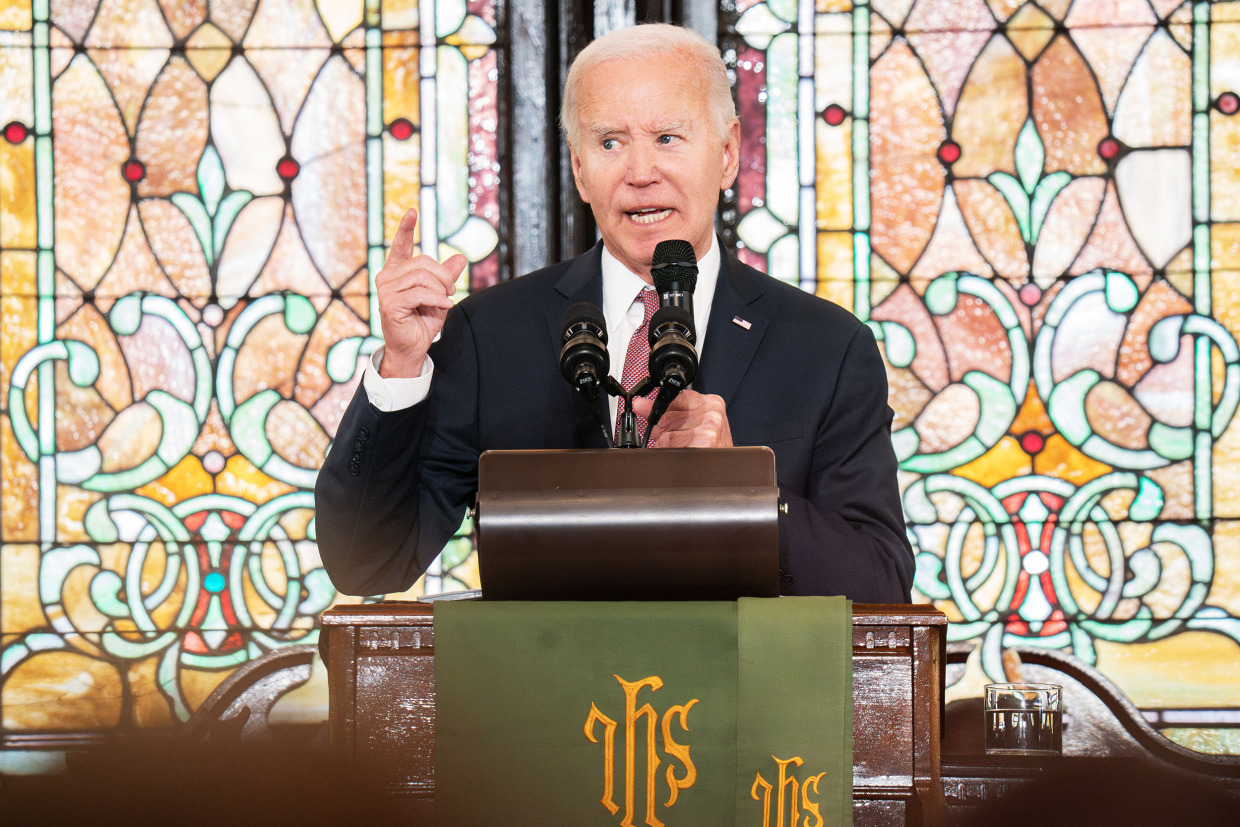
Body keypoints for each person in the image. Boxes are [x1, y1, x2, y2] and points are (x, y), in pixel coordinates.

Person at [314, 23, 914, 603]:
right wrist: (400, 367)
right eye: (609, 143)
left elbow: (881, 583)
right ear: (579, 168)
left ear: (728, 154)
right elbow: (366, 563)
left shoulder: (827, 347)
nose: (640, 174)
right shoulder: (490, 335)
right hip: (553, 698)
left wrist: (748, 491)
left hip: (746, 696)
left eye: (668, 138)